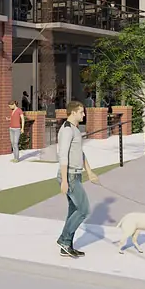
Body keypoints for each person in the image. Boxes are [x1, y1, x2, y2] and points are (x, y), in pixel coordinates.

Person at [56, 101, 100, 258]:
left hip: (75, 174)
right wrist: (64, 180)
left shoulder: (74, 130)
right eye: (81, 112)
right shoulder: (67, 130)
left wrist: (89, 172)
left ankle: (67, 246)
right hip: (70, 176)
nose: (84, 114)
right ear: (73, 113)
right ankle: (64, 240)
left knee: (74, 210)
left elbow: (79, 153)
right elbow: (63, 155)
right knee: (83, 209)